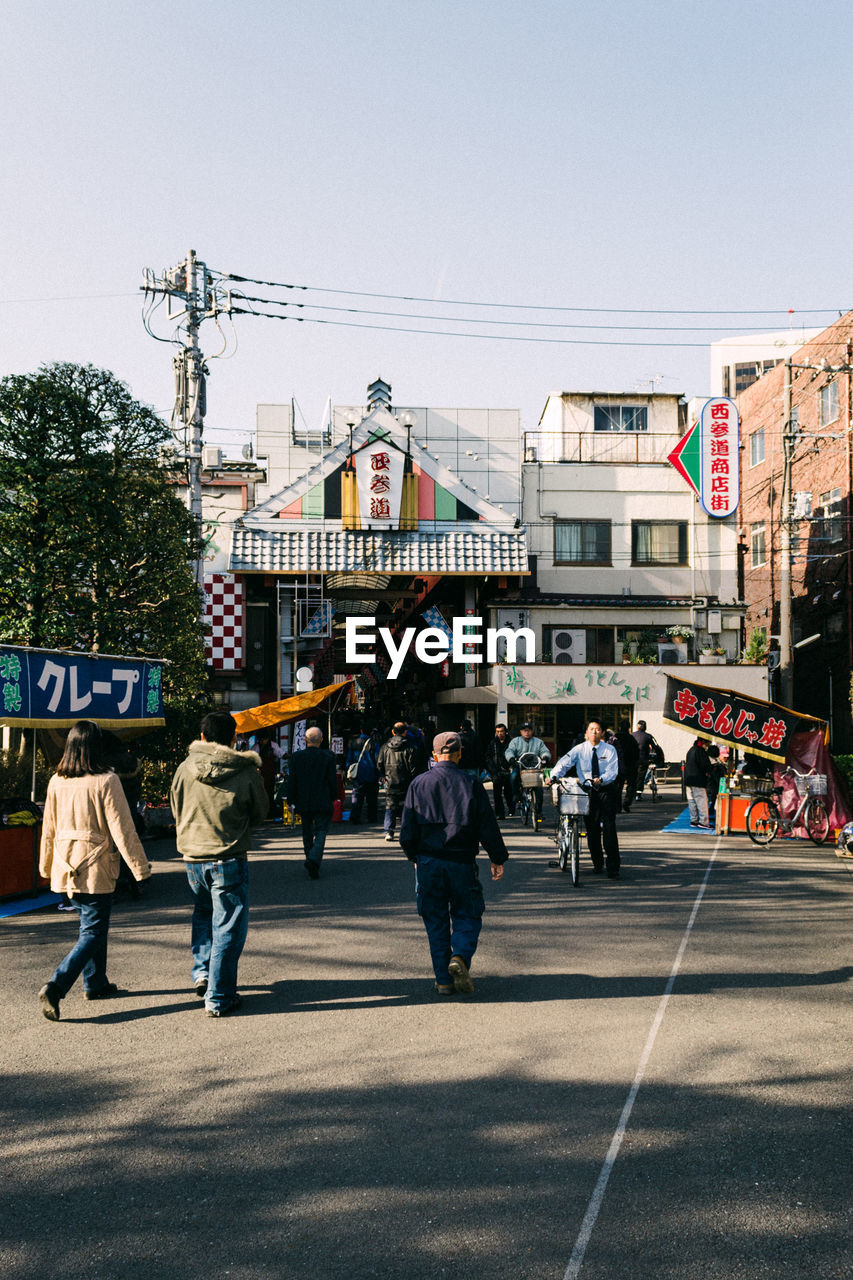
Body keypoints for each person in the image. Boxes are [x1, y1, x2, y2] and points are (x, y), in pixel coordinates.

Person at [37, 720, 152, 1021]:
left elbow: (48, 828)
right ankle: (56, 985)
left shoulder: (56, 780)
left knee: (90, 925)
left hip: (66, 866)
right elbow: (123, 829)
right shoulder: (106, 779)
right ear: (98, 747)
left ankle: (96, 982)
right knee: (93, 930)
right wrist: (139, 868)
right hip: (96, 865)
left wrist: (46, 865)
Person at [170, 710, 268, 1016]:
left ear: (201, 737)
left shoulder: (184, 769)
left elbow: (176, 806)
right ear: (234, 738)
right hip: (228, 856)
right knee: (228, 926)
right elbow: (261, 811)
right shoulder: (245, 770)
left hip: (192, 858)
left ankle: (202, 973)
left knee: (203, 915)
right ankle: (220, 995)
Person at [400, 731, 508, 996]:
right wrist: (497, 858)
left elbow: (407, 832)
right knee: (467, 913)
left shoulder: (418, 784)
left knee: (435, 919)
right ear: (460, 753)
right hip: (461, 861)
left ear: (435, 756)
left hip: (429, 862)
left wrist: (414, 857)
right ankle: (459, 955)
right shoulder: (471, 784)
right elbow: (487, 825)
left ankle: (443, 981)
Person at [552, 720, 621, 878]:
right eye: (591, 729)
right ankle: (597, 863)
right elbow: (564, 762)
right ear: (586, 733)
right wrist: (554, 775)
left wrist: (602, 779)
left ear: (602, 732)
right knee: (592, 829)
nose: (594, 732)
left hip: (606, 790)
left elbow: (613, 771)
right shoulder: (579, 749)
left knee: (609, 828)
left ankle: (613, 867)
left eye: (597, 729)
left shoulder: (610, 750)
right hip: (588, 791)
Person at [287, 726, 338, 877]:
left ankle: (310, 857)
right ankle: (314, 859)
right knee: (321, 831)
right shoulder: (328, 756)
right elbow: (332, 779)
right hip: (323, 798)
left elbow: (292, 781)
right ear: (321, 740)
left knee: (307, 831)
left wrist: (290, 800)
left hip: (303, 799)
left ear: (305, 740)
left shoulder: (296, 757)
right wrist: (334, 796)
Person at [377, 721, 423, 842]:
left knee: (390, 806)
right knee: (406, 807)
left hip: (390, 780)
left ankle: (389, 830)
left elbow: (379, 763)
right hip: (406, 781)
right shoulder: (410, 747)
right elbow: (414, 766)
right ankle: (405, 830)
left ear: (393, 732)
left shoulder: (385, 746)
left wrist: (385, 774)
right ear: (405, 732)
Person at [505, 722, 551, 823]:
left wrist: (545, 758)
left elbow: (545, 751)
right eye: (524, 730)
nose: (527, 732)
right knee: (513, 777)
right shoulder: (515, 741)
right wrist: (511, 759)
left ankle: (539, 811)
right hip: (520, 766)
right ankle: (516, 795)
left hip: (534, 767)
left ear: (532, 731)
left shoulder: (538, 742)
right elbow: (509, 751)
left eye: (529, 730)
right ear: (521, 732)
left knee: (539, 789)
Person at [485, 723, 514, 819]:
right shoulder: (493, 743)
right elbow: (488, 757)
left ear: (505, 732)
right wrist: (492, 770)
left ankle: (511, 808)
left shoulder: (511, 742)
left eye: (501, 731)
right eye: (497, 732)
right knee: (497, 794)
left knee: (508, 793)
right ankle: (499, 813)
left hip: (508, 770)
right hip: (496, 771)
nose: (500, 734)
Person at [684, 737, 712, 828]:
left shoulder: (691, 750)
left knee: (692, 801)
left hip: (689, 779)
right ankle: (703, 822)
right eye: (707, 743)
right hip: (698, 779)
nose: (708, 746)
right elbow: (705, 765)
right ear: (703, 742)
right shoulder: (700, 751)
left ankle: (694, 820)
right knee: (701, 801)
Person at [632, 719, 661, 800]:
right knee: (641, 777)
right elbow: (656, 746)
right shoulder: (648, 736)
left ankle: (631, 793)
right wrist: (657, 757)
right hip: (643, 759)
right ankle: (638, 794)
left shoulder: (632, 735)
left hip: (632, 760)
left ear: (637, 727)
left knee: (633, 776)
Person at [615, 721, 640, 812]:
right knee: (631, 785)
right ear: (629, 728)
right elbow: (637, 753)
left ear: (619, 727)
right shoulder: (631, 739)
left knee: (618, 787)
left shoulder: (615, 738)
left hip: (618, 766)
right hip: (631, 765)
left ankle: (617, 806)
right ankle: (627, 802)